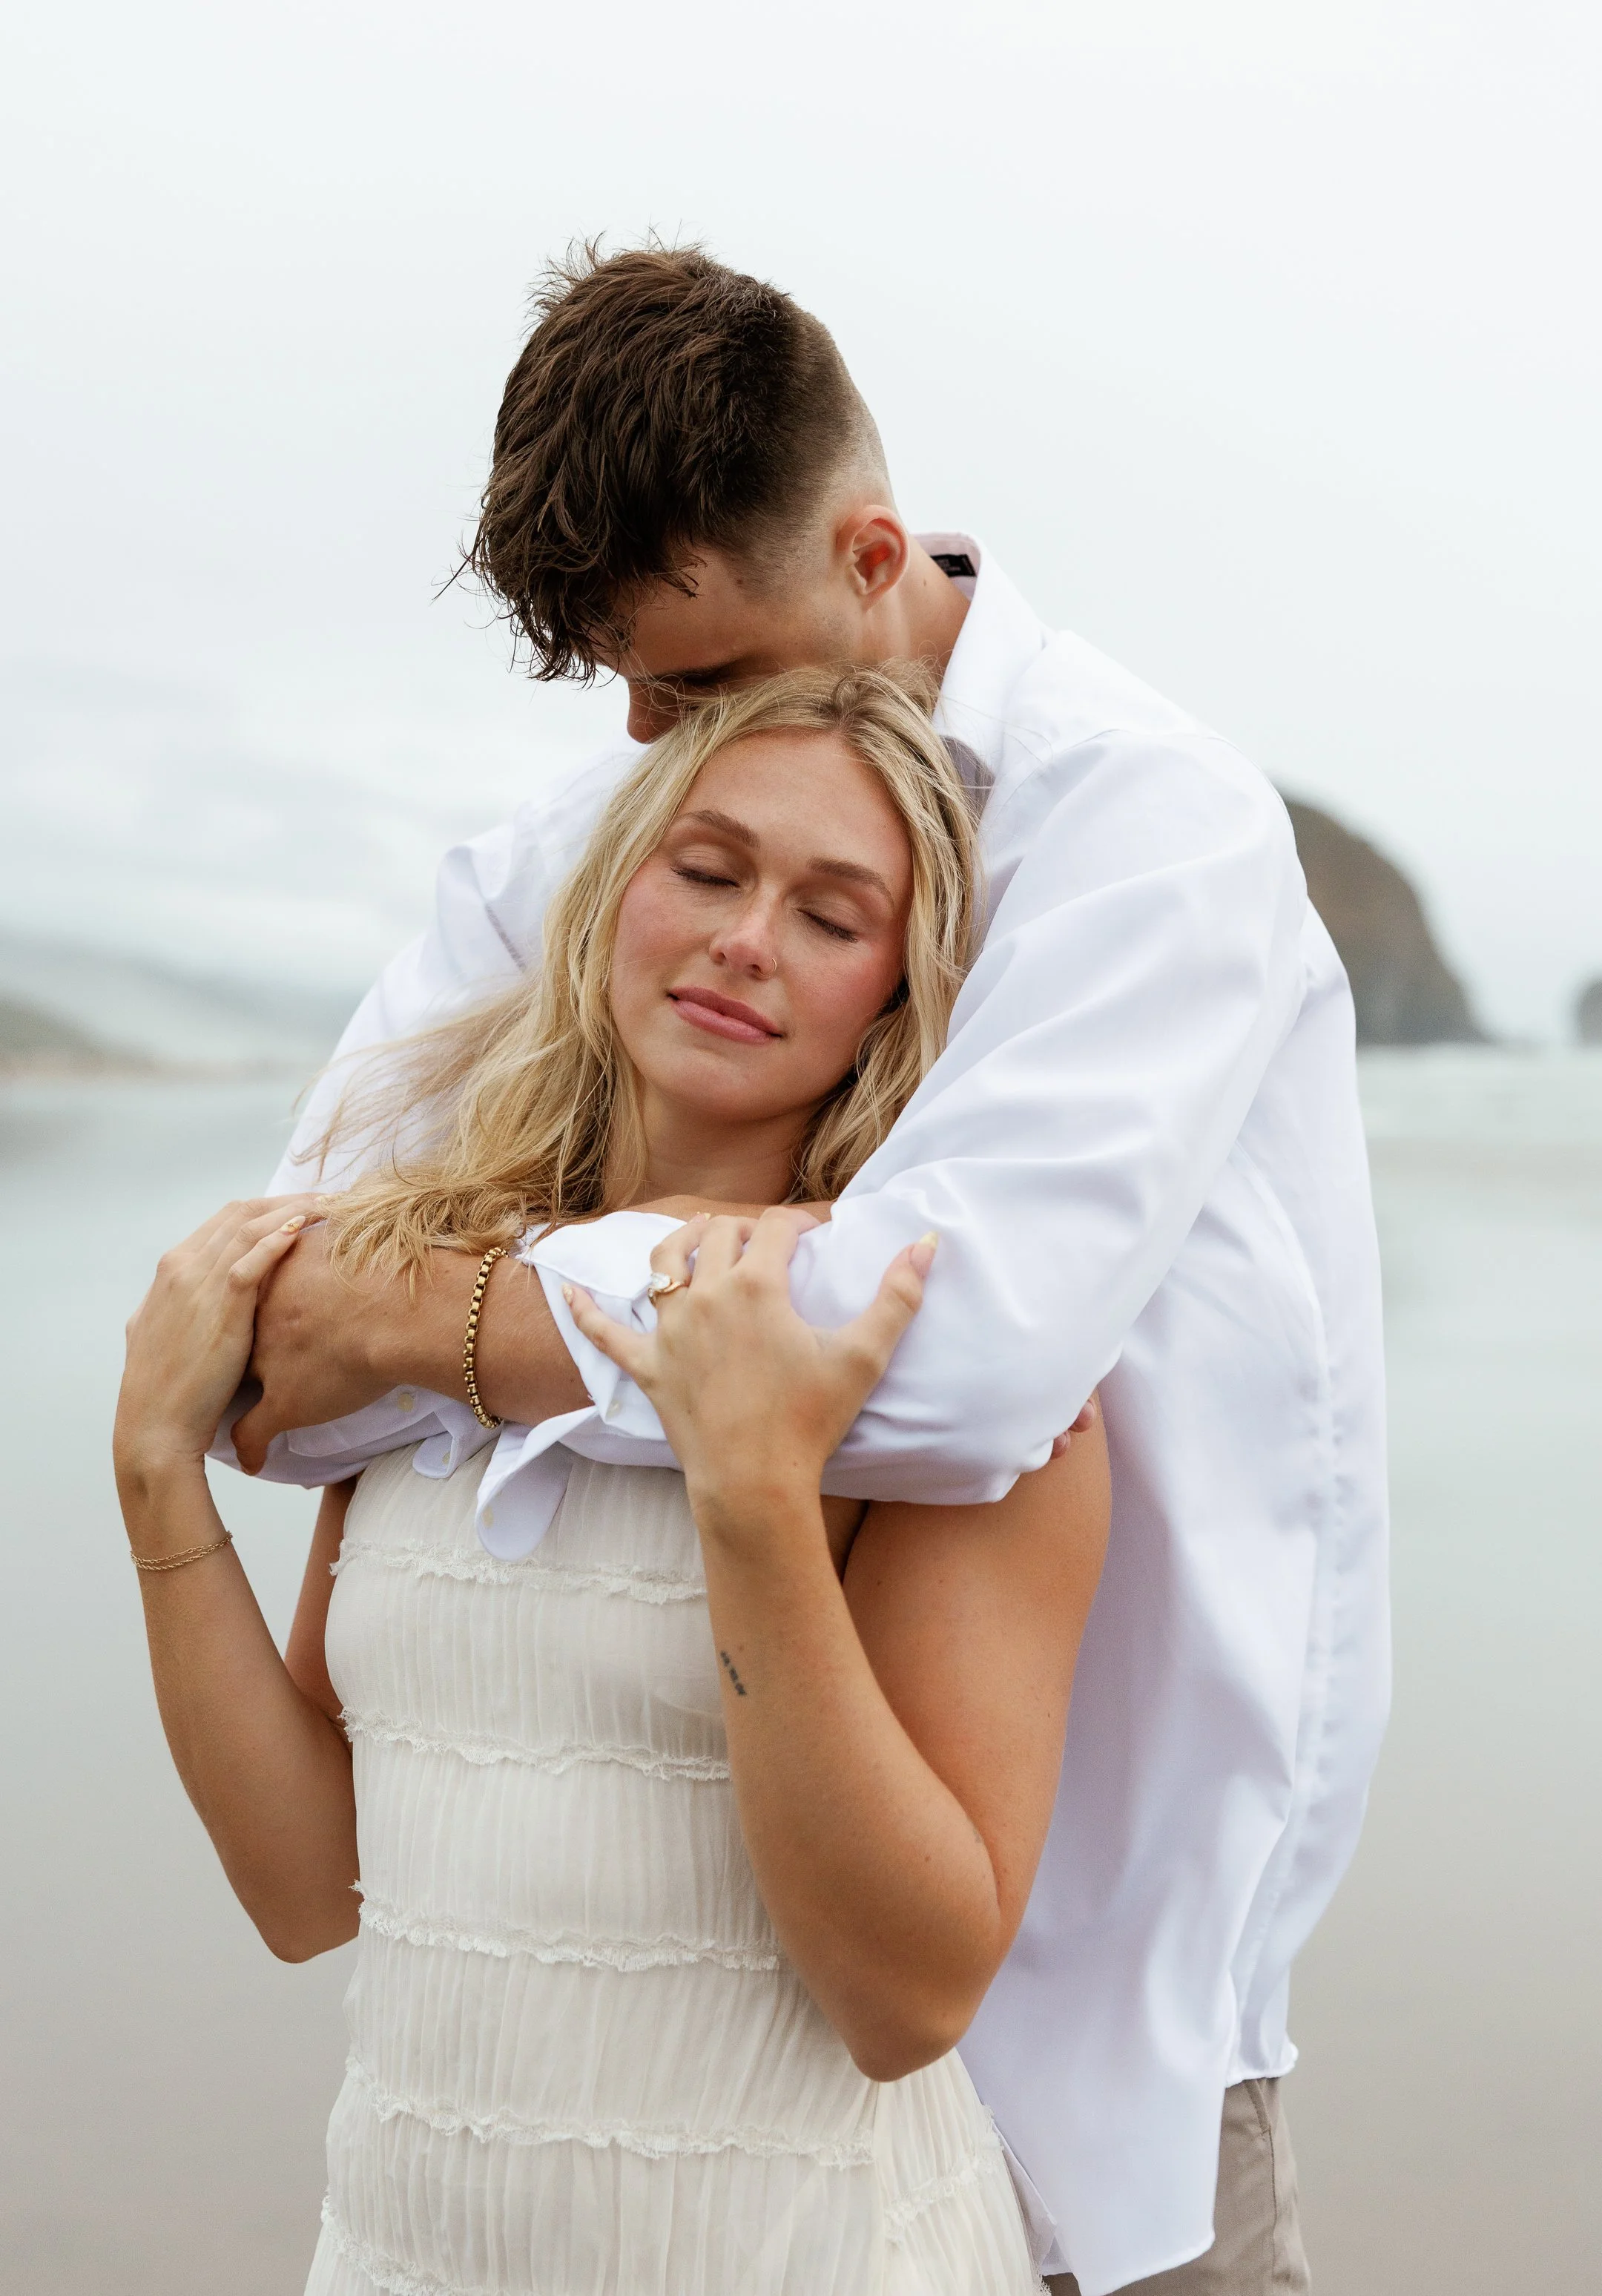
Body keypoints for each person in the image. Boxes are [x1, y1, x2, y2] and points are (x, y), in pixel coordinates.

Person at [215, 247, 1388, 2294]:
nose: (650, 740)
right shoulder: (600, 829)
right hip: (699, 2004)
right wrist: (450, 1314)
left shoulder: (1151, 824)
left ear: (869, 556)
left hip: (1108, 1976)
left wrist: (443, 1305)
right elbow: (272, 1324)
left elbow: (959, 1365)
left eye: (695, 675)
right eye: (624, 689)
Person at [118, 668, 1109, 2294]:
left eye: (830, 914)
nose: (745, 939)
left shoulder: (934, 1385)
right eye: (709, 870)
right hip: (407, 2245)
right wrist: (161, 1479)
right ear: (617, 892)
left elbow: (907, 1997)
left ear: (896, 996)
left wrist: (754, 1500)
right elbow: (308, 1887)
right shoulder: (419, 1307)